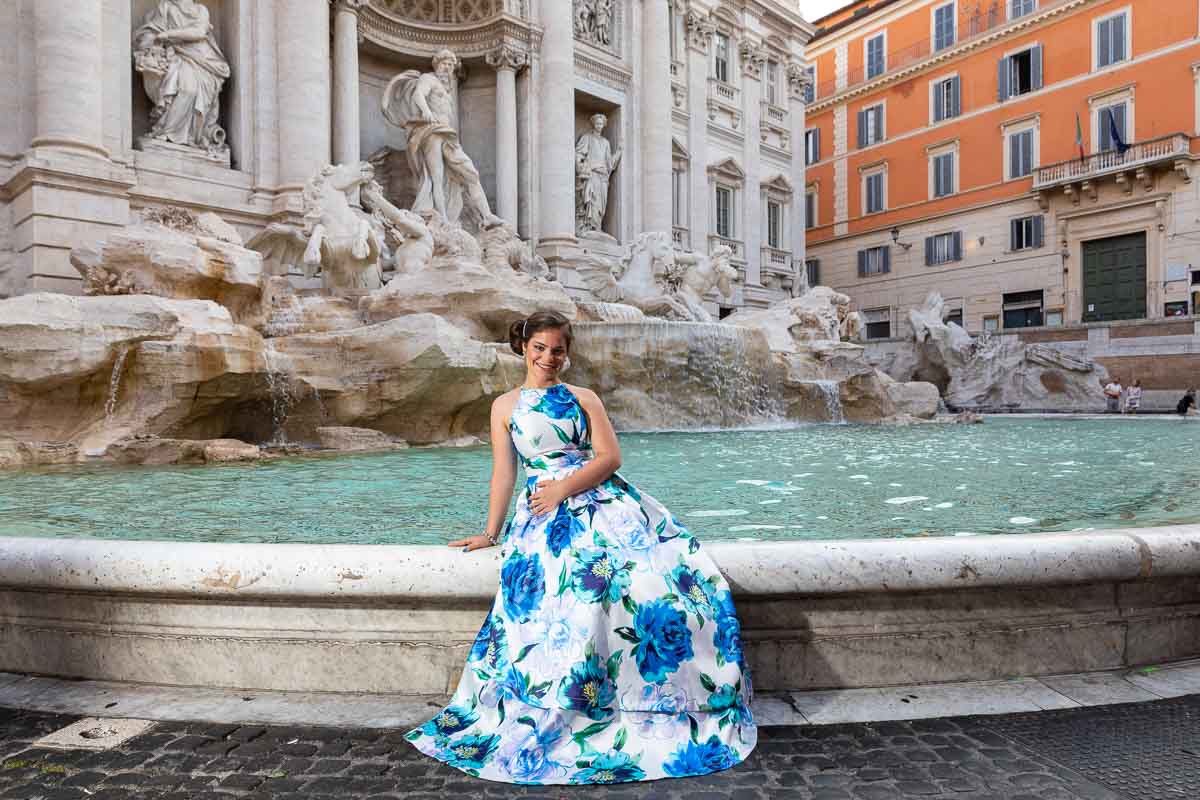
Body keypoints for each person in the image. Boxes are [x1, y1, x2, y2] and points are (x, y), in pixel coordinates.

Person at [407, 311, 756, 784]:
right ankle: (554, 702)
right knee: (569, 595)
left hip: (595, 498)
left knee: (643, 584)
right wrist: (490, 533)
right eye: (540, 348)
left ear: (567, 353)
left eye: (558, 350)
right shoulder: (504, 406)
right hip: (541, 512)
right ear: (524, 347)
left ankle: (656, 703)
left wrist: (562, 489)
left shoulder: (583, 398)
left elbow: (611, 458)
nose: (549, 358)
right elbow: (504, 474)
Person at [382, 50, 503, 229]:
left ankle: (487, 215)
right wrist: (426, 111)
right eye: (445, 64)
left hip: (447, 134)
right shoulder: (428, 79)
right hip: (431, 131)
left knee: (470, 173)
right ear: (437, 64)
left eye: (451, 65)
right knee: (436, 178)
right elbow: (418, 95)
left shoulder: (445, 89)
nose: (448, 68)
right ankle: (443, 219)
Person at [132, 0, 231, 153]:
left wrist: (167, 34)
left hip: (203, 58)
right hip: (176, 55)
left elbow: (199, 32)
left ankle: (192, 137)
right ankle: (167, 132)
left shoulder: (200, 9)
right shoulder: (165, 7)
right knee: (187, 89)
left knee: (191, 90)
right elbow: (149, 32)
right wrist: (150, 41)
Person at [575, 113, 622, 236]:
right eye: (597, 123)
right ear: (593, 124)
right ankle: (590, 226)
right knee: (593, 202)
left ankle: (598, 226)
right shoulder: (587, 138)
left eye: (601, 124)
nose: (599, 126)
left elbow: (609, 163)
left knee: (601, 205)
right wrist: (581, 168)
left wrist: (619, 152)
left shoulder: (606, 142)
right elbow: (579, 154)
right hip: (592, 175)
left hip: (603, 177)